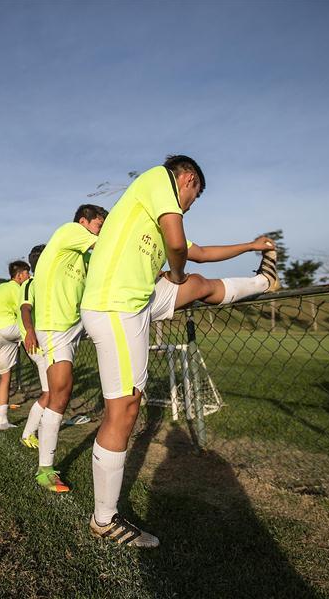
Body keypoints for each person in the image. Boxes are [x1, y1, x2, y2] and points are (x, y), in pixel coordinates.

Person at [80, 155, 279, 547]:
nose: (189, 205)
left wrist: (251, 246)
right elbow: (177, 246)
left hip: (136, 301)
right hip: (115, 306)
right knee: (125, 408)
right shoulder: (158, 180)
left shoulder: (152, 214)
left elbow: (197, 252)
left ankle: (265, 282)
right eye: (194, 197)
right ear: (186, 180)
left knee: (200, 284)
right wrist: (175, 274)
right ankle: (104, 518)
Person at [28, 204, 107, 493]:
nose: (102, 231)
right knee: (59, 392)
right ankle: (44, 470)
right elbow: (109, 245)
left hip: (75, 324)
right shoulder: (69, 231)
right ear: (84, 222)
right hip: (55, 327)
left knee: (59, 392)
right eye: (100, 225)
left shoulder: (84, 257)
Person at [0, 260, 31, 430]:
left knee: (5, 377)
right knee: (43, 331)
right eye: (27, 273)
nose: (29, 276)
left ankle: (2, 422)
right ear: (19, 275)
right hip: (8, 328)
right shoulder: (16, 288)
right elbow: (24, 310)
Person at [19, 244, 48, 449]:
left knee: (56, 390)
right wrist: (30, 332)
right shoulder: (31, 284)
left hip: (51, 340)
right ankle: (28, 433)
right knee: (50, 392)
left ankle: (43, 425)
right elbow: (25, 309)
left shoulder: (50, 281)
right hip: (38, 342)